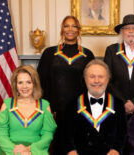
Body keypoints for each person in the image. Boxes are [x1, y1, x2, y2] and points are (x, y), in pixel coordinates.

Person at [37, 15, 95, 154]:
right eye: (66, 26)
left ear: (79, 30)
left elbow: (93, 84)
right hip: (55, 111)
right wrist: (47, 108)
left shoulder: (88, 54)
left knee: (78, 146)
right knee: (56, 146)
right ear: (62, 29)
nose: (70, 29)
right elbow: (41, 81)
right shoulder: (49, 53)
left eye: (74, 26)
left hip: (80, 109)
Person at [65, 59, 127, 155]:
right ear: (85, 79)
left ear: (108, 79)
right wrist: (71, 151)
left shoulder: (118, 104)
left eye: (101, 77)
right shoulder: (72, 105)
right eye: (92, 77)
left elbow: (123, 134)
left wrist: (116, 150)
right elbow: (65, 135)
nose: (96, 81)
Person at [0, 65, 57, 155]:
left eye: (28, 82)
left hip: (36, 151)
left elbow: (48, 135)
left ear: (34, 84)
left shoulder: (44, 105)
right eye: (20, 83)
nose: (24, 86)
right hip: (10, 151)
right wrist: (16, 151)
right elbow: (1, 135)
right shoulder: (7, 105)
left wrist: (29, 149)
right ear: (15, 85)